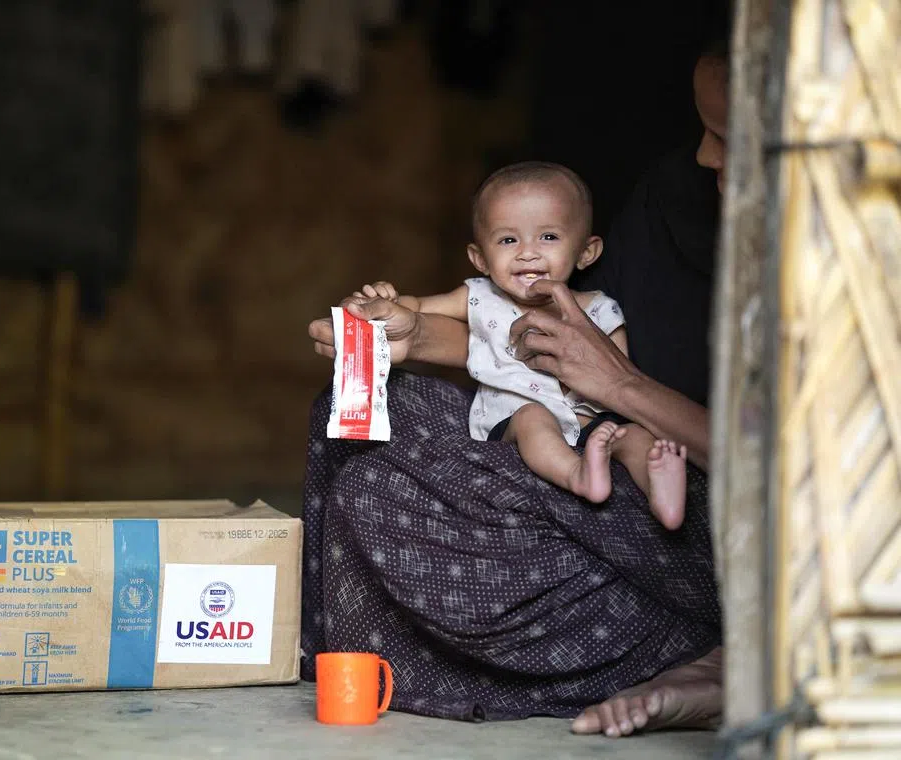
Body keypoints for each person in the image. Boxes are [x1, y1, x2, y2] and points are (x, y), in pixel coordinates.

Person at [302, 46, 729, 737]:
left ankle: (715, 655)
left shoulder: (853, 260)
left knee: (635, 462)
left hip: (688, 511)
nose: (706, 156)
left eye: (729, 138)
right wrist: (409, 335)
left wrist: (619, 386)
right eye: (703, 131)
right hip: (559, 454)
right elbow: (526, 334)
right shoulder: (673, 198)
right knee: (357, 425)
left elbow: (793, 473)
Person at [354, 161, 690, 529]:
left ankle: (664, 499)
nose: (527, 253)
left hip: (591, 422)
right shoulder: (479, 295)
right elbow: (416, 308)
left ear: (586, 252)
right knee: (534, 419)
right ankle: (578, 475)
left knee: (636, 436)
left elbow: (618, 377)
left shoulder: (600, 309)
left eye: (548, 237)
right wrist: (381, 302)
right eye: (508, 240)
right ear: (480, 258)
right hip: (512, 420)